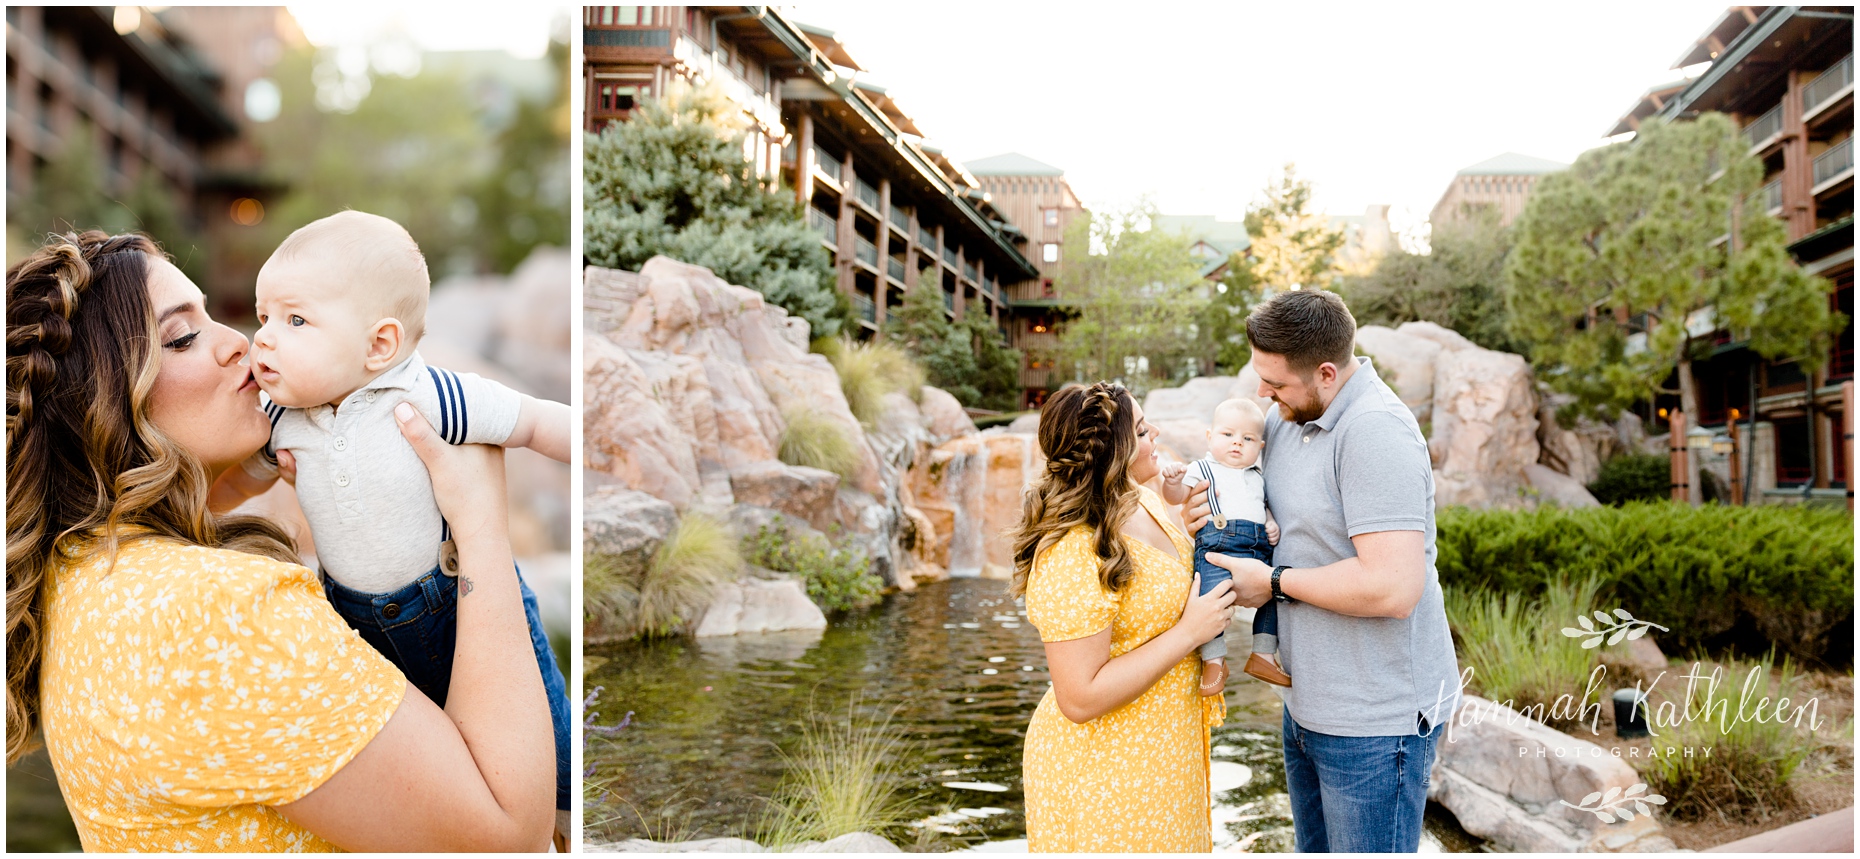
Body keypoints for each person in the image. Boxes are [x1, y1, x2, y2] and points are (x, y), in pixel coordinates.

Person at [5, 232, 555, 851]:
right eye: (183, 337)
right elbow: (507, 837)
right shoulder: (216, 616)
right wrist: (479, 521)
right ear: (98, 407)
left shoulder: (80, 573)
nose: (241, 340)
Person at [229, 211, 573, 829]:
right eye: (264, 318)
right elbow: (230, 478)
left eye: (296, 320)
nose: (265, 339)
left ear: (379, 345)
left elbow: (533, 420)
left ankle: (569, 821)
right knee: (432, 766)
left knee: (546, 748)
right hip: (354, 622)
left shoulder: (431, 395)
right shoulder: (283, 418)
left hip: (453, 606)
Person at [1196, 289, 1461, 853]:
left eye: (1275, 383)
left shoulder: (1375, 431)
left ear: (1325, 372)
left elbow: (1393, 587)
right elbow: (1261, 502)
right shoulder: (1287, 416)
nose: (1261, 394)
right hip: (1309, 704)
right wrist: (1211, 508)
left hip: (1375, 721)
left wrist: (1271, 583)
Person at [1012, 381, 1237, 853]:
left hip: (1161, 753)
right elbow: (1079, 696)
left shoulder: (1144, 500)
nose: (1153, 430)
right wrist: (1190, 631)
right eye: (1140, 428)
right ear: (1112, 450)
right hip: (1102, 770)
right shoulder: (1073, 548)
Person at [1179, 398, 1283, 693]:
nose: (1237, 443)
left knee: (1275, 593)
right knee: (1208, 598)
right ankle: (1214, 660)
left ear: (1259, 447)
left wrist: (1271, 521)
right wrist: (1173, 483)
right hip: (1217, 547)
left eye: (1247, 439)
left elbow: (1260, 505)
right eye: (1228, 435)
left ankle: (1263, 654)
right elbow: (1178, 497)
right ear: (1210, 437)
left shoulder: (1257, 476)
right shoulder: (1202, 468)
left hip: (1257, 546)